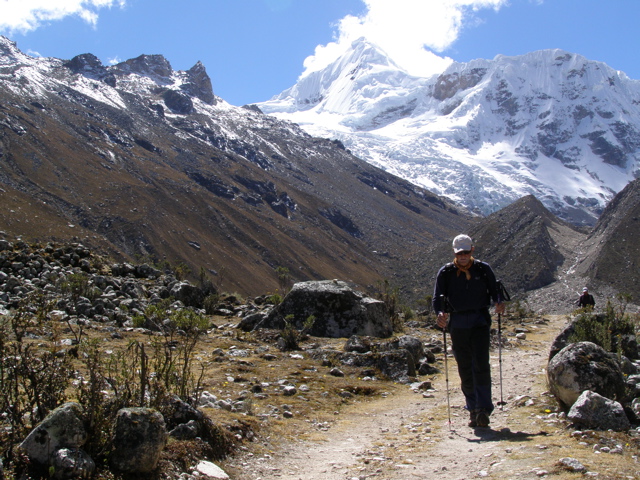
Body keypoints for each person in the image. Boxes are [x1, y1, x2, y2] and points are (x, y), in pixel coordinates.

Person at [433, 234, 505, 428]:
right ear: (454, 253)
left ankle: (483, 408)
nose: (463, 256)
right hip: (457, 323)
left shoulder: (483, 269)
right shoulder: (446, 272)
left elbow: (494, 291)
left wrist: (499, 302)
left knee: (481, 364)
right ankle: (473, 408)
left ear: (472, 250)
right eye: (459, 253)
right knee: (465, 367)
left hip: (479, 321)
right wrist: (440, 312)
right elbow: (437, 299)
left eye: (466, 252)